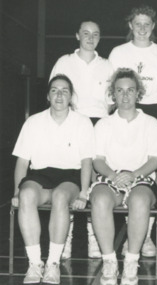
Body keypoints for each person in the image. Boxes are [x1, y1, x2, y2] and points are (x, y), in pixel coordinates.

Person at [11, 74, 94, 284]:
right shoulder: (33, 122)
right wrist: (16, 193)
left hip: (69, 177)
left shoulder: (83, 122)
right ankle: (35, 263)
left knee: (60, 196)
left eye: (64, 90)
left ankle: (53, 264)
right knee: (27, 194)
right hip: (40, 176)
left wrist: (84, 192)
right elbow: (22, 162)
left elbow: (86, 162)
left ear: (71, 96)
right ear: (48, 96)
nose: (59, 94)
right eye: (55, 90)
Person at [109, 4, 157, 257]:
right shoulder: (118, 52)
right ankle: (130, 232)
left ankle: (145, 236)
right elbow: (112, 88)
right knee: (122, 165)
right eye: (137, 23)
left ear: (153, 26)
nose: (142, 28)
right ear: (130, 25)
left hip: (156, 112)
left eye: (147, 24)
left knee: (152, 173)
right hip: (126, 108)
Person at [89, 68, 157, 285]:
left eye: (130, 90)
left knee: (139, 200)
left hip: (141, 177)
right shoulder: (103, 124)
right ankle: (109, 262)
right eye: (120, 90)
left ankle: (131, 262)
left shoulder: (151, 123)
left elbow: (155, 160)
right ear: (113, 94)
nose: (125, 95)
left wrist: (134, 174)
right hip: (111, 177)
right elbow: (98, 160)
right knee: (100, 199)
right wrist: (113, 175)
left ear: (138, 93)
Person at [50, 20, 114, 259]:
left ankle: (94, 237)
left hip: (98, 124)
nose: (90, 37)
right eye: (85, 33)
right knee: (70, 178)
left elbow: (110, 102)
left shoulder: (107, 65)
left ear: (99, 38)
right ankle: (63, 238)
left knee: (94, 181)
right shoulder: (64, 62)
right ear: (77, 35)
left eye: (95, 34)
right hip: (72, 122)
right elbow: (56, 93)